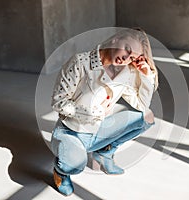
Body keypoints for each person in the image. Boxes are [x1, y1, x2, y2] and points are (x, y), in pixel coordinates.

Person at [50, 28, 159, 196]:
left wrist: (146, 77)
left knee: (147, 117)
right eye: (127, 50)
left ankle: (104, 152)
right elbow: (59, 102)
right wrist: (91, 112)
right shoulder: (81, 62)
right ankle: (61, 172)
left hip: (97, 131)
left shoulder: (127, 73)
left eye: (133, 57)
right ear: (116, 39)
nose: (126, 58)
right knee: (74, 166)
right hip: (70, 132)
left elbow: (142, 105)